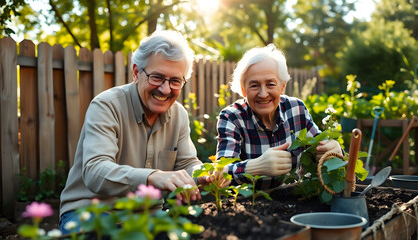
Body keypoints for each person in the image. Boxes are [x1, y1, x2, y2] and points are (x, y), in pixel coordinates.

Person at [59, 30, 217, 234]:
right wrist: (152, 177)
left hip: (149, 215)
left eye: (175, 81)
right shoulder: (106, 106)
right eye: (157, 77)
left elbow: (187, 163)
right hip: (91, 212)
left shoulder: (179, 115)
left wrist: (202, 175)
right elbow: (95, 170)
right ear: (136, 73)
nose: (165, 89)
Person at [216, 44, 343, 190]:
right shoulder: (232, 117)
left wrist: (333, 150)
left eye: (270, 84)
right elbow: (220, 173)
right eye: (254, 85)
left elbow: (319, 148)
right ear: (243, 90)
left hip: (293, 198)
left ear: (282, 86)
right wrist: (256, 166)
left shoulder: (296, 109)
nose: (263, 94)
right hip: (249, 202)